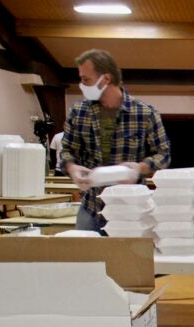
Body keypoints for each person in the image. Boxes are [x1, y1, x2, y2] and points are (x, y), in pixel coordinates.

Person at [60, 49, 171, 232]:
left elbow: (163, 154)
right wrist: (72, 168)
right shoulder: (79, 112)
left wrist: (139, 168)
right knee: (85, 257)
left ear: (105, 79)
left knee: (128, 259)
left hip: (130, 210)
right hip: (91, 208)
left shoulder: (144, 113)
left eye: (86, 80)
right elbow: (67, 151)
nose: (82, 84)